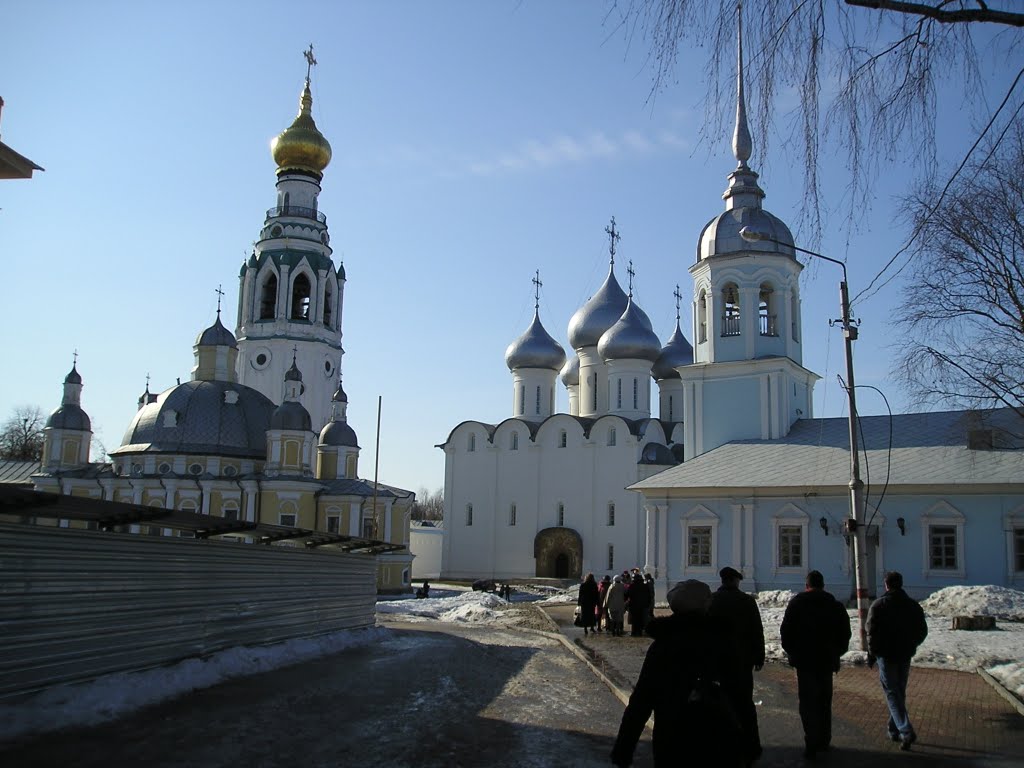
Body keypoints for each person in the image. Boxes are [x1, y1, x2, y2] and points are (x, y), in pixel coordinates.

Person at [611, 580, 743, 767]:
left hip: (671, 738)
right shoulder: (720, 640)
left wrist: (623, 748)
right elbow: (740, 693)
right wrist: (749, 742)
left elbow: (641, 701)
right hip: (717, 737)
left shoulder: (663, 645)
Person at [780, 570, 852, 760]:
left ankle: (811, 740)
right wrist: (837, 653)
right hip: (826, 661)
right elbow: (845, 632)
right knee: (824, 701)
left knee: (807, 702)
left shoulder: (796, 604)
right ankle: (824, 739)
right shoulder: (834, 605)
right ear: (823, 585)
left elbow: (786, 632)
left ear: (807, 585)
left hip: (805, 662)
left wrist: (793, 653)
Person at [708, 566, 765, 765]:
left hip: (718, 662)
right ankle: (751, 745)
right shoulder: (747, 601)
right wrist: (759, 656)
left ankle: (722, 744)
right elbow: (756, 630)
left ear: (723, 580)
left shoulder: (712, 601)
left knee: (720, 702)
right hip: (742, 661)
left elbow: (707, 632)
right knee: (745, 704)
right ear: (735, 581)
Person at [866, 571, 928, 751]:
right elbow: (922, 631)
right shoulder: (912, 606)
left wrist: (872, 653)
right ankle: (894, 730)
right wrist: (912, 644)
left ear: (886, 585)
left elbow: (871, 632)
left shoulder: (879, 605)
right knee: (899, 691)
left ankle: (905, 730)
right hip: (904, 654)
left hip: (886, 655)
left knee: (893, 693)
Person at [626, 572, 651, 637]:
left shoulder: (632, 586)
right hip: (642, 605)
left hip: (633, 605)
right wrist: (648, 604)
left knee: (634, 620)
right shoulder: (645, 586)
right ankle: (639, 632)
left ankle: (634, 632)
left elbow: (627, 594)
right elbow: (649, 595)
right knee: (640, 619)